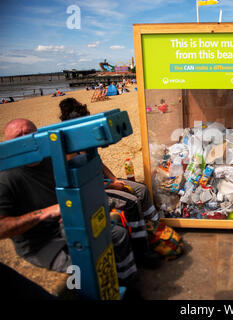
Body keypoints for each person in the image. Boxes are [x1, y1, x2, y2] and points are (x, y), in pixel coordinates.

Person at [0, 119, 140, 290]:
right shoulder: (5, 178)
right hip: (42, 241)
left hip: (70, 224)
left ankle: (129, 285)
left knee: (119, 235)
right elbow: (2, 228)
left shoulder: (52, 159)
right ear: (8, 144)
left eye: (30, 133)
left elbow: (80, 179)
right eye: (18, 136)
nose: (26, 139)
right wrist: (43, 213)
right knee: (84, 263)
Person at [58, 98, 160, 264]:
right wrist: (112, 184)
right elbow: (82, 180)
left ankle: (155, 229)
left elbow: (99, 163)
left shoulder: (85, 139)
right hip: (90, 189)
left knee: (141, 189)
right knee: (132, 202)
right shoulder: (68, 149)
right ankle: (141, 250)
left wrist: (113, 179)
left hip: (103, 181)